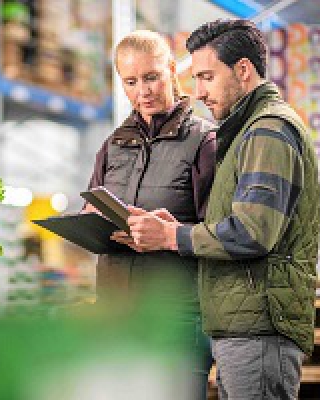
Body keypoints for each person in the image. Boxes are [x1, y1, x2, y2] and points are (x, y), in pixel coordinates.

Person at [118, 19, 320, 399]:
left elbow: (252, 232)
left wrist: (171, 236)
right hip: (244, 324)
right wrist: (176, 225)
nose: (199, 92)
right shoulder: (246, 131)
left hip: (258, 326)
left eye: (207, 77)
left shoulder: (267, 131)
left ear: (243, 70)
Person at [83, 30, 217, 399]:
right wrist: (90, 221)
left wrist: (170, 235)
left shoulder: (205, 142)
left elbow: (220, 234)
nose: (143, 90)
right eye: (131, 81)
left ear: (172, 71)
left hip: (177, 314)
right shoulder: (112, 146)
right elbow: (92, 203)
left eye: (151, 76)